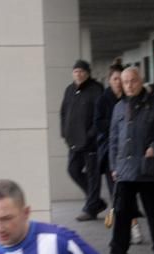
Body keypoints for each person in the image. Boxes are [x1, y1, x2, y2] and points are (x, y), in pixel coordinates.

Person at [108, 66, 154, 254]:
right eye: (125, 81)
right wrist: (114, 166)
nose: (129, 85)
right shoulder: (118, 107)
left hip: (149, 169)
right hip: (124, 171)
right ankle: (118, 253)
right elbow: (113, 139)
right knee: (121, 213)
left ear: (141, 81)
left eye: (133, 81)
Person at [93, 58, 143, 245]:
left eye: (120, 79)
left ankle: (131, 226)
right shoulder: (103, 100)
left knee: (128, 195)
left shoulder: (129, 100)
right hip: (111, 155)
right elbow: (98, 123)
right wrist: (116, 127)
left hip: (133, 155)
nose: (119, 83)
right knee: (119, 194)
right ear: (110, 80)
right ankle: (128, 229)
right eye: (115, 79)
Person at [60, 59, 107, 222]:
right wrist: (64, 132)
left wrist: (91, 134)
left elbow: (99, 116)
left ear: (87, 73)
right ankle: (96, 201)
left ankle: (91, 208)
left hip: (91, 142)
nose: (78, 74)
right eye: (75, 71)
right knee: (73, 170)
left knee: (94, 175)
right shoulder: (69, 90)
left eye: (81, 71)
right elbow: (63, 113)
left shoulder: (96, 89)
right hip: (74, 141)